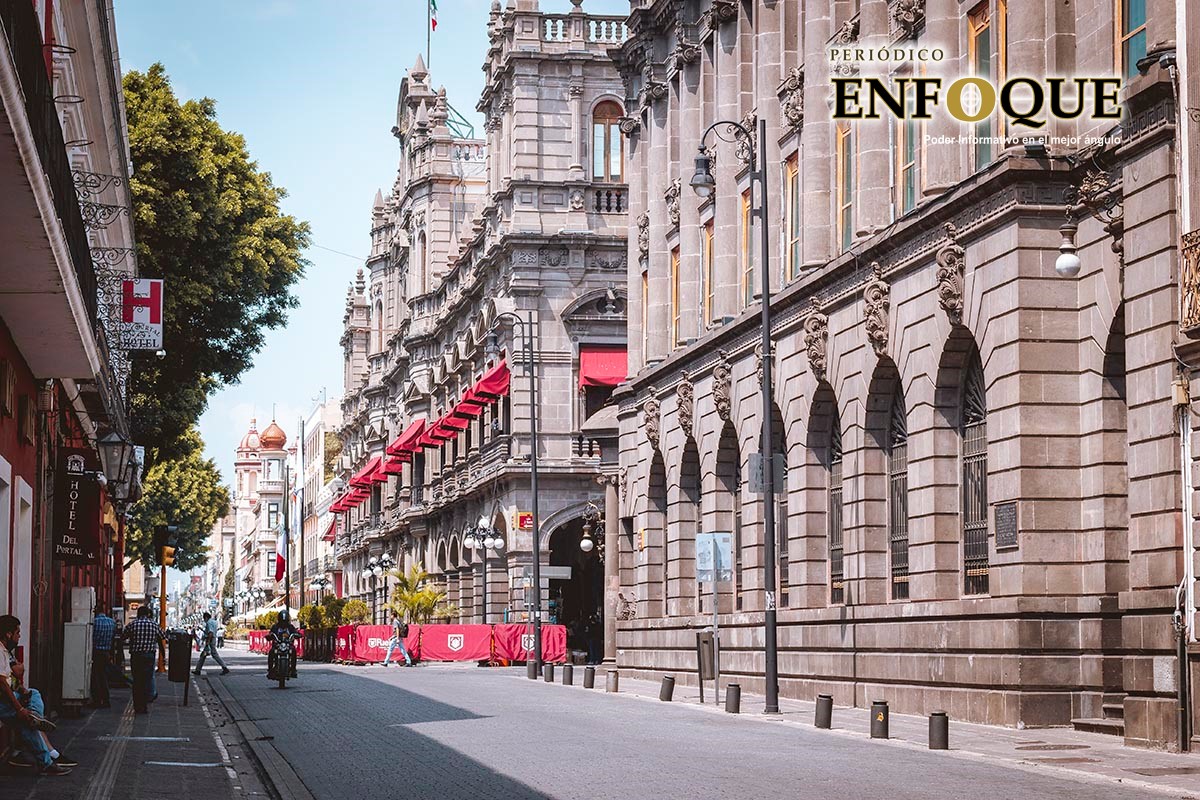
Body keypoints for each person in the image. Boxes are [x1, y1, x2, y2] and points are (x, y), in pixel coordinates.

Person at [0, 615, 71, 776]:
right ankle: (45, 760)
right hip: (3, 701)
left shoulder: (5, 651)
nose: (19, 636)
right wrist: (20, 709)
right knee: (26, 722)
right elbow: (2, 683)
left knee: (34, 693)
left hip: (9, 697)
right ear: (8, 634)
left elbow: (11, 679)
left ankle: (35, 716)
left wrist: (22, 691)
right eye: (17, 633)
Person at [122, 606, 166, 714]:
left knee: (137, 680)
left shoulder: (133, 624)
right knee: (147, 680)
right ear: (148, 614)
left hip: (136, 656)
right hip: (149, 656)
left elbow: (123, 637)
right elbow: (162, 638)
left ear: (138, 613)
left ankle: (137, 706)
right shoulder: (154, 625)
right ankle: (144, 705)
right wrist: (163, 656)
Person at [91, 606, 115, 708]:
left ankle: (97, 700)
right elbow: (113, 638)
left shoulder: (94, 622)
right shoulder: (111, 622)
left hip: (95, 652)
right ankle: (106, 699)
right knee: (103, 675)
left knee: (95, 676)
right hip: (106, 652)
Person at [267, 611, 299, 679]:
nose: (283, 624)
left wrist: (297, 634)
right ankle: (270, 670)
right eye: (282, 622)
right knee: (271, 652)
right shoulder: (275, 627)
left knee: (293, 651)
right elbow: (271, 633)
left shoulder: (290, 627)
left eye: (285, 622)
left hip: (288, 645)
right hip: (277, 645)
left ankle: (293, 669)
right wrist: (270, 635)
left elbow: (295, 632)